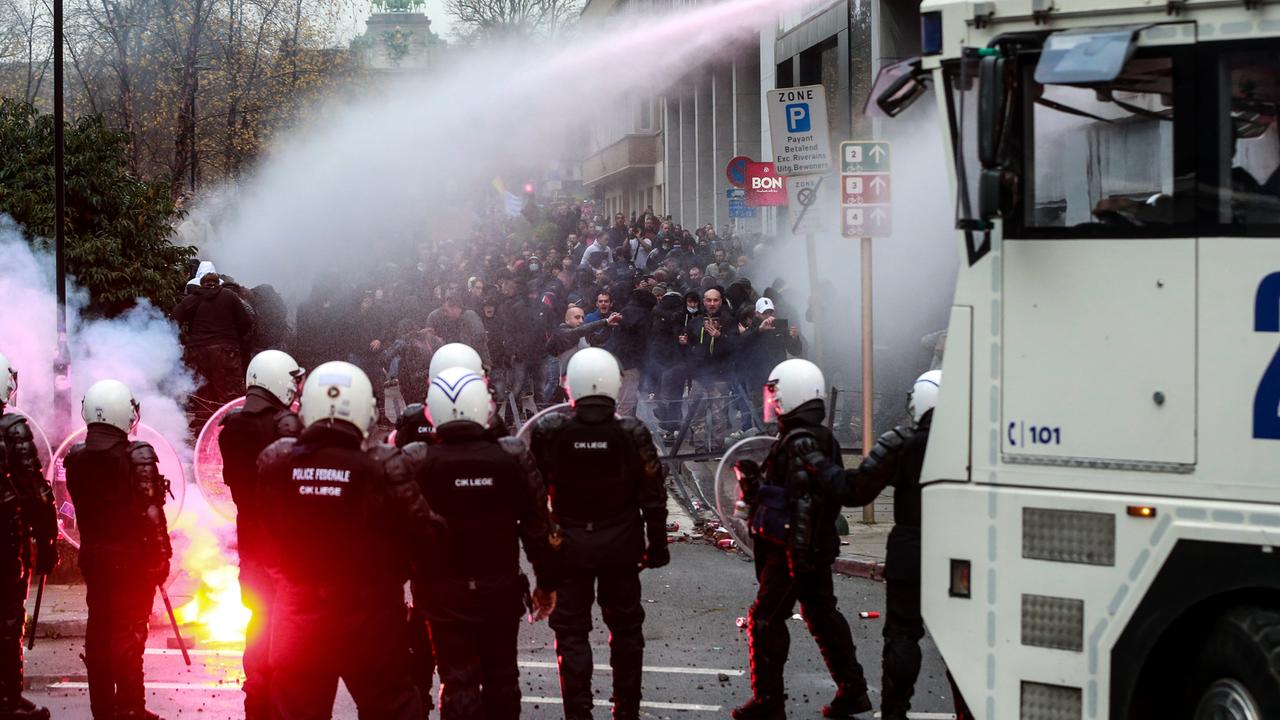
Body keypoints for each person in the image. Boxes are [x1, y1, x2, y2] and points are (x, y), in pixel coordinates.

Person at [256, 361, 439, 719]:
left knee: (295, 709)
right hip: (371, 615)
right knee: (392, 707)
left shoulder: (275, 462)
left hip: (299, 612)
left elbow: (264, 535)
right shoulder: (382, 464)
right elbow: (423, 537)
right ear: (365, 410)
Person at [807, 370, 969, 720]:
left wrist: (819, 465)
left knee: (902, 635)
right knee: (964, 641)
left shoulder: (901, 441)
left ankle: (895, 713)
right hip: (963, 551)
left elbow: (855, 490)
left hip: (910, 547)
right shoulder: (975, 442)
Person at [409, 366, 558, 718]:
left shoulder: (419, 461)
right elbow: (537, 523)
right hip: (499, 589)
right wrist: (546, 582)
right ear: (485, 407)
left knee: (457, 679)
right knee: (502, 677)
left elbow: (398, 527)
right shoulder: (510, 456)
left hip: (442, 591)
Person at [529, 348, 669, 720]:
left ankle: (579, 713)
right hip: (621, 545)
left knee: (572, 633)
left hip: (569, 545)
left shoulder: (550, 432)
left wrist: (543, 559)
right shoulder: (631, 432)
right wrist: (657, 546)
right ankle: (627, 711)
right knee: (626, 630)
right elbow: (653, 495)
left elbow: (533, 499)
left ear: (571, 385)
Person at [732, 360, 870, 720]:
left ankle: (768, 703)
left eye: (777, 393)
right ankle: (853, 690)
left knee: (765, 619)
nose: (773, 400)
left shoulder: (801, 439)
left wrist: (797, 556)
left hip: (794, 549)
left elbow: (804, 503)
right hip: (809, 546)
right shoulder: (809, 435)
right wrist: (756, 487)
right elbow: (794, 493)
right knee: (821, 614)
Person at [65, 380, 172, 720]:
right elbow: (151, 513)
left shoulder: (76, 459)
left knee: (99, 631)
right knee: (128, 635)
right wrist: (162, 558)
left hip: (94, 557)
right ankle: (130, 707)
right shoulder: (137, 455)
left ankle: (103, 709)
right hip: (131, 561)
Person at [217, 350, 305, 720]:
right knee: (289, 633)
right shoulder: (285, 426)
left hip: (251, 542)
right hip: (287, 548)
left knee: (258, 622)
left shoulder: (232, 427)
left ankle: (257, 706)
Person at [0, 354, 56, 720]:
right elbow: (35, 492)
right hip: (4, 540)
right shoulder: (11, 428)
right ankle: (7, 699)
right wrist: (48, 541)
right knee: (6, 619)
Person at [171, 270, 255, 428]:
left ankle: (204, 428)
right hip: (226, 351)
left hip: (198, 353)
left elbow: (174, 319)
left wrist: (187, 339)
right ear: (218, 283)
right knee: (229, 391)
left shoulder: (193, 298)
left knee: (203, 391)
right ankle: (233, 427)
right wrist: (235, 338)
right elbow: (246, 322)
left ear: (201, 284)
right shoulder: (230, 297)